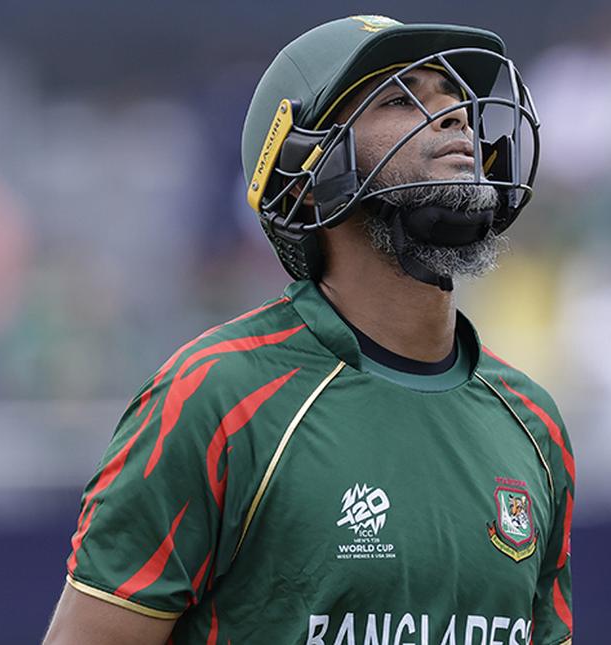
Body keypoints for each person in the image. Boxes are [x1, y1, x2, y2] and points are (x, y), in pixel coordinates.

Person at [43, 15, 575, 645]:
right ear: (310, 176)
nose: (457, 116)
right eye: (402, 99)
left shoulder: (533, 425)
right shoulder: (215, 397)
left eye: (456, 100)